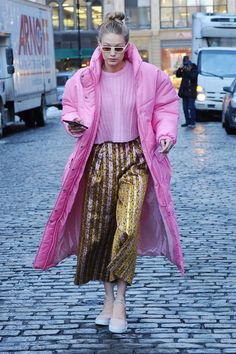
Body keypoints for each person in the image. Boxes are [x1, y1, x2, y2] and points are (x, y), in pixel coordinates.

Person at [33, 12, 184, 334]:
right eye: (106, 48)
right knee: (99, 231)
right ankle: (106, 298)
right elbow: (71, 108)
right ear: (98, 47)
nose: (112, 54)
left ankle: (121, 302)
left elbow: (165, 108)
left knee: (127, 228)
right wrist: (73, 124)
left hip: (135, 158)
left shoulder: (149, 76)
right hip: (98, 159)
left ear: (128, 46)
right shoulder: (83, 79)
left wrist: (166, 135)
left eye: (118, 48)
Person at [176, 55, 198, 128]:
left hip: (191, 92)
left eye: (186, 62)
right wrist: (180, 68)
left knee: (191, 107)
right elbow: (178, 75)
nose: (186, 64)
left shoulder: (194, 67)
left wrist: (188, 70)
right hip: (185, 92)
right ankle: (187, 122)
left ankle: (192, 122)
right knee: (185, 108)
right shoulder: (184, 68)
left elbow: (193, 77)